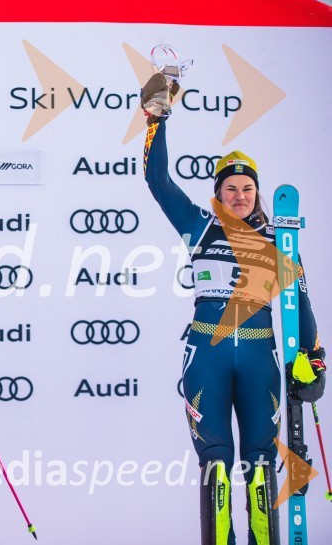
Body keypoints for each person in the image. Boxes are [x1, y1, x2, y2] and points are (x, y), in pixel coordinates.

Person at [140, 74, 326, 545]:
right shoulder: (198, 226)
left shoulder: (278, 239)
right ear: (218, 194)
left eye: (246, 188)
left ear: (256, 192)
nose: (239, 195)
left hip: (262, 356)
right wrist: (158, 119)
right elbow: (157, 180)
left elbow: (300, 302)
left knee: (261, 465)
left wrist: (314, 360)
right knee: (216, 464)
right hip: (208, 353)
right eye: (230, 189)